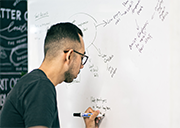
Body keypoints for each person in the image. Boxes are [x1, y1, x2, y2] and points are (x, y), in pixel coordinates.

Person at [0, 22, 102, 128]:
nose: (82, 66)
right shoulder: (41, 87)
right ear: (69, 56)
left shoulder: (33, 82)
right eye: (81, 57)